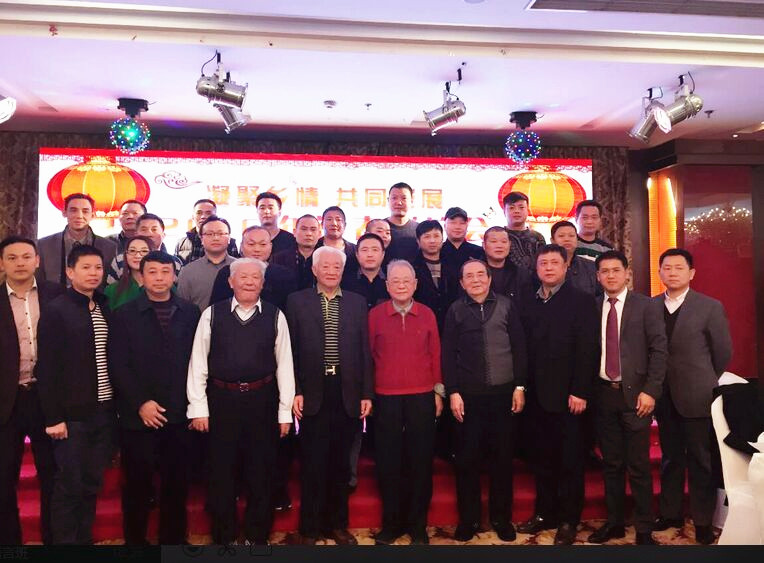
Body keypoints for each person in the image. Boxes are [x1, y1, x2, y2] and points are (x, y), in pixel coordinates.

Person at [187, 258, 295, 545]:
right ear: (230, 281)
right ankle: (224, 536)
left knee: (262, 470)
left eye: (255, 277)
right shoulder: (212, 314)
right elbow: (198, 363)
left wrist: (285, 412)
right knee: (221, 471)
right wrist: (198, 408)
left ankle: (257, 536)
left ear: (263, 283)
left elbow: (285, 365)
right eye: (243, 276)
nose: (249, 281)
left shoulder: (275, 315)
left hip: (263, 401)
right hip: (221, 401)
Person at [109, 251, 200, 545]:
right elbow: (118, 364)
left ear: (174, 276)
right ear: (142, 276)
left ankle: (172, 542)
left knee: (177, 485)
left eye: (165, 272)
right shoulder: (124, 315)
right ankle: (135, 542)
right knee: (137, 486)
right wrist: (141, 403)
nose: (159, 278)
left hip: (179, 413)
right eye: (152, 272)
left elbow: (198, 361)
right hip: (138, 416)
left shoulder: (190, 312)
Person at [286, 246, 373, 546]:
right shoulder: (297, 301)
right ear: (314, 269)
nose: (331, 271)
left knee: (341, 463)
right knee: (312, 462)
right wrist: (296, 390)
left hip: (346, 391)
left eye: (337, 266)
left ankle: (337, 525)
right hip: (312, 391)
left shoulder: (357, 302)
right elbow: (290, 350)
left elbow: (365, 351)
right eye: (325, 266)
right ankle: (309, 528)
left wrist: (366, 392)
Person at [517, 244, 599, 545]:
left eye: (554, 262)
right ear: (536, 268)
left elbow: (588, 349)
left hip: (569, 398)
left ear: (566, 266)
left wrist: (580, 390)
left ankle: (568, 520)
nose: (549, 268)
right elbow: (522, 347)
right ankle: (545, 513)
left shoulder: (582, 300)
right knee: (542, 459)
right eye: (543, 263)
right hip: (536, 397)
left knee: (570, 462)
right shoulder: (529, 300)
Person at [442, 259, 528, 543]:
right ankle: (469, 520)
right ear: (462, 282)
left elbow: (519, 347)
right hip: (467, 398)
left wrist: (520, 386)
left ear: (490, 279)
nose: (476, 280)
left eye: (481, 274)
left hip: (503, 395)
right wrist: (453, 391)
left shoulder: (506, 305)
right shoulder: (455, 310)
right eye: (469, 276)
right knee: (467, 462)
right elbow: (447, 354)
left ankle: (501, 518)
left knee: (502, 460)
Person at [36, 244, 117, 545]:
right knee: (69, 486)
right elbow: (47, 368)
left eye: (98, 267)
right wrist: (54, 417)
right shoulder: (57, 310)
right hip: (71, 416)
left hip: (104, 411)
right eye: (86, 267)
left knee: (91, 483)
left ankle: (83, 542)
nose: (94, 273)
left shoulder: (104, 305)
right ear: (70, 272)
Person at [586, 250, 667, 546]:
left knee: (639, 466)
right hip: (603, 395)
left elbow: (660, 351)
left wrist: (651, 391)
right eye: (605, 271)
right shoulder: (592, 307)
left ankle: (644, 528)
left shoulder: (646, 306)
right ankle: (615, 523)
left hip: (637, 397)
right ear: (598, 276)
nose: (610, 275)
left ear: (627, 274)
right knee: (612, 464)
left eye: (616, 270)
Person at [653, 248, 732, 545]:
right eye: (667, 267)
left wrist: (702, 377)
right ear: (660, 272)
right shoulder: (650, 306)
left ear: (691, 273)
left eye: (678, 267)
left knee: (700, 459)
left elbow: (722, 352)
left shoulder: (710, 307)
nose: (672, 272)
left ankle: (702, 521)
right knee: (670, 457)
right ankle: (671, 513)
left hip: (697, 394)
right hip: (662, 395)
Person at [368, 259, 442, 545]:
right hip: (385, 397)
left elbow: (436, 354)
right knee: (388, 463)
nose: (401, 285)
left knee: (420, 462)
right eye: (395, 281)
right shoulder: (375, 315)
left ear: (415, 284)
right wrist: (368, 394)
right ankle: (392, 524)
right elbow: (368, 356)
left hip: (422, 396)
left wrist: (438, 392)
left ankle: (418, 525)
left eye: (406, 281)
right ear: (387, 285)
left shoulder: (427, 314)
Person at [0, 236, 63, 545]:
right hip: (6, 401)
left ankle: (53, 542)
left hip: (47, 398)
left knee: (52, 475)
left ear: (37, 260)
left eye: (26, 256)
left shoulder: (57, 295)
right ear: (2, 263)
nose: (20, 263)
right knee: (4, 479)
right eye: (12, 258)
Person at [37, 193, 117, 290]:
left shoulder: (109, 247)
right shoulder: (44, 245)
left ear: (92, 215)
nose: (79, 216)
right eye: (73, 210)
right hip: (52, 298)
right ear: (64, 213)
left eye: (85, 211)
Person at [209, 225, 296, 312]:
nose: (257, 249)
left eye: (263, 244)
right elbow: (215, 309)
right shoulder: (228, 272)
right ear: (241, 246)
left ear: (270, 246)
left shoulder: (284, 275)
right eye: (251, 244)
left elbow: (291, 311)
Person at [177, 216, 236, 311]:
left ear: (229, 238)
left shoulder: (240, 268)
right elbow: (182, 307)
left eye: (221, 233)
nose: (216, 238)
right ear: (201, 239)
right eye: (209, 234)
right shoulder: (188, 271)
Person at [412, 220, 459, 333]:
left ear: (442, 238)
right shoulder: (412, 268)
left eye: (436, 236)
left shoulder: (454, 265)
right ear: (418, 241)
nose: (432, 240)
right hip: (421, 325)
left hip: (451, 325)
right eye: (427, 236)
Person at [174, 199, 238, 265]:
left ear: (215, 216)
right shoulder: (182, 243)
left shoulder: (228, 242)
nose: (203, 216)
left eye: (208, 213)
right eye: (199, 213)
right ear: (193, 217)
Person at [482, 226, 532, 306]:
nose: (499, 246)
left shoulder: (520, 274)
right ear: (484, 245)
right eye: (494, 241)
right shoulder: (475, 273)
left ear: (510, 244)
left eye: (504, 241)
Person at [551, 220, 601, 297]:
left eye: (571, 236)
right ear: (552, 241)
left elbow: (599, 296)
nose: (567, 239)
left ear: (577, 239)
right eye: (561, 236)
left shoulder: (591, 266)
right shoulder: (545, 267)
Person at [104, 236, 154, 310]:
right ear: (125, 255)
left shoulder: (164, 287)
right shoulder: (111, 290)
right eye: (132, 251)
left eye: (144, 251)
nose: (137, 255)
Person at [340, 233, 389, 310]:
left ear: (383, 254)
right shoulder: (345, 282)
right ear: (357, 254)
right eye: (364, 250)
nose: (370, 255)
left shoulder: (391, 281)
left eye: (375, 250)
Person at [272, 214, 320, 291]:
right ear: (294, 232)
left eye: (313, 229)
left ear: (319, 234)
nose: (309, 233)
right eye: (304, 229)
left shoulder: (325, 259)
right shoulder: (278, 259)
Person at [503, 192, 545, 274]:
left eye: (521, 207)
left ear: (527, 210)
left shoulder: (538, 237)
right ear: (504, 211)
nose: (516, 211)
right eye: (511, 208)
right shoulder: (499, 236)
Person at [440, 207, 484, 271]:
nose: (457, 227)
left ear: (467, 226)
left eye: (462, 223)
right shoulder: (437, 252)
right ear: (444, 226)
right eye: (453, 222)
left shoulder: (479, 252)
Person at [316, 206, 357, 273]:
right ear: (322, 224)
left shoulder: (355, 250)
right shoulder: (314, 248)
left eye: (338, 220)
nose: (334, 223)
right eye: (329, 219)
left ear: (345, 225)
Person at [385, 183, 419, 262]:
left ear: (411, 201)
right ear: (388, 200)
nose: (399, 203)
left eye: (404, 198)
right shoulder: (379, 228)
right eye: (394, 198)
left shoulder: (419, 229)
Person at [256, 192, 297, 256]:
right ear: (257, 211)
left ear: (279, 212)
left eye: (270, 208)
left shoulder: (291, 240)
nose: (266, 211)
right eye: (262, 208)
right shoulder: (251, 237)